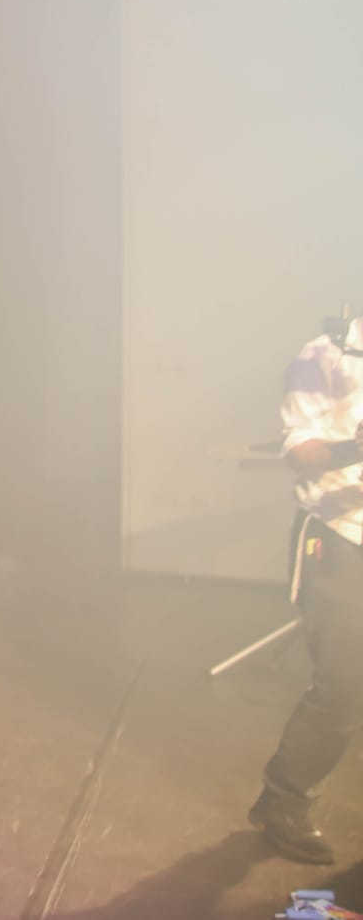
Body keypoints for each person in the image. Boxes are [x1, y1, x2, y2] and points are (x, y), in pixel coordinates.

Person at [248, 314, 363, 866]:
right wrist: (355, 448)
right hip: (341, 535)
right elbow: (300, 450)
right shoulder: (324, 355)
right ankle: (283, 802)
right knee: (345, 684)